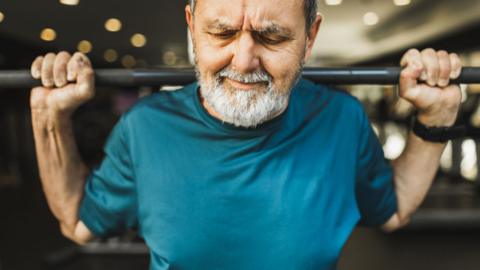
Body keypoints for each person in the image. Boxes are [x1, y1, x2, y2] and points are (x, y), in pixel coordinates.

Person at [29, 0, 463, 269]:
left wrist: (436, 120)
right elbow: (78, 222)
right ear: (191, 27)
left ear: (310, 38)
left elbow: (393, 210)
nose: (244, 59)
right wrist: (49, 118)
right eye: (221, 32)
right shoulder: (145, 127)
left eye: (271, 37)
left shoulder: (342, 120)